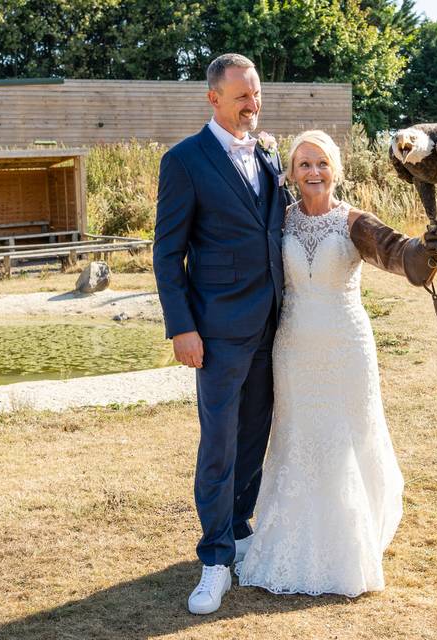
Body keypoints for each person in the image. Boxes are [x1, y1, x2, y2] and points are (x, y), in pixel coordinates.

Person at [234, 130, 437, 597]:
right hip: (292, 350)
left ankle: (350, 542)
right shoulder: (279, 222)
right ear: (291, 172)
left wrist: (428, 250)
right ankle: (288, 535)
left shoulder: (354, 222)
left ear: (336, 170)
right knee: (298, 439)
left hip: (346, 346)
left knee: (346, 437)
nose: (314, 172)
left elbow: (399, 253)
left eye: (322, 164)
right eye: (304, 164)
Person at [153, 53, 290, 615]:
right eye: (242, 96)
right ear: (214, 98)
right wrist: (182, 327)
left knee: (256, 435)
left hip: (270, 326)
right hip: (214, 331)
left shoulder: (269, 154)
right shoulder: (184, 160)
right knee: (219, 445)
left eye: (256, 95)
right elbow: (167, 252)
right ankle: (214, 558)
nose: (252, 104)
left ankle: (240, 528)